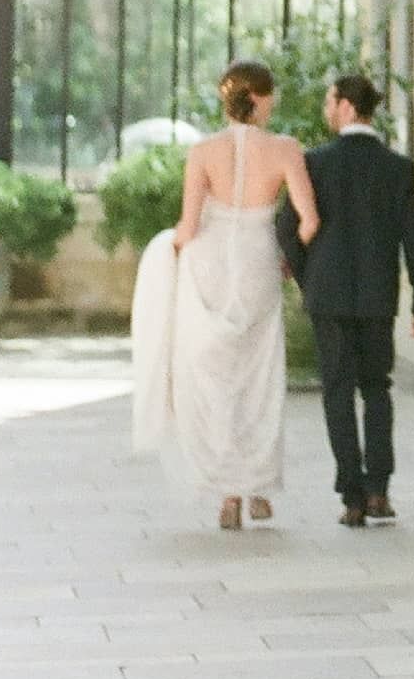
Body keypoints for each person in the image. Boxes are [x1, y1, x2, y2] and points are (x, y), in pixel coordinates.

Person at [130, 60, 319, 530]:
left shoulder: (203, 151)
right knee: (258, 377)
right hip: (257, 263)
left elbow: (188, 227)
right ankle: (257, 490)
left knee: (211, 379)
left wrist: (162, 255)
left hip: (208, 268)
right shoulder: (285, 149)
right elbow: (309, 220)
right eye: (272, 94)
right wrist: (289, 260)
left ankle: (226, 495)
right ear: (260, 97)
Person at [277, 75, 414, 528]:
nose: (327, 109)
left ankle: (352, 496)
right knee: (377, 388)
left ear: (345, 107)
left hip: (329, 297)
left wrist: (309, 279)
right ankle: (380, 489)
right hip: (379, 298)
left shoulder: (315, 164)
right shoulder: (398, 168)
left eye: (330, 101)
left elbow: (288, 229)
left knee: (338, 393)